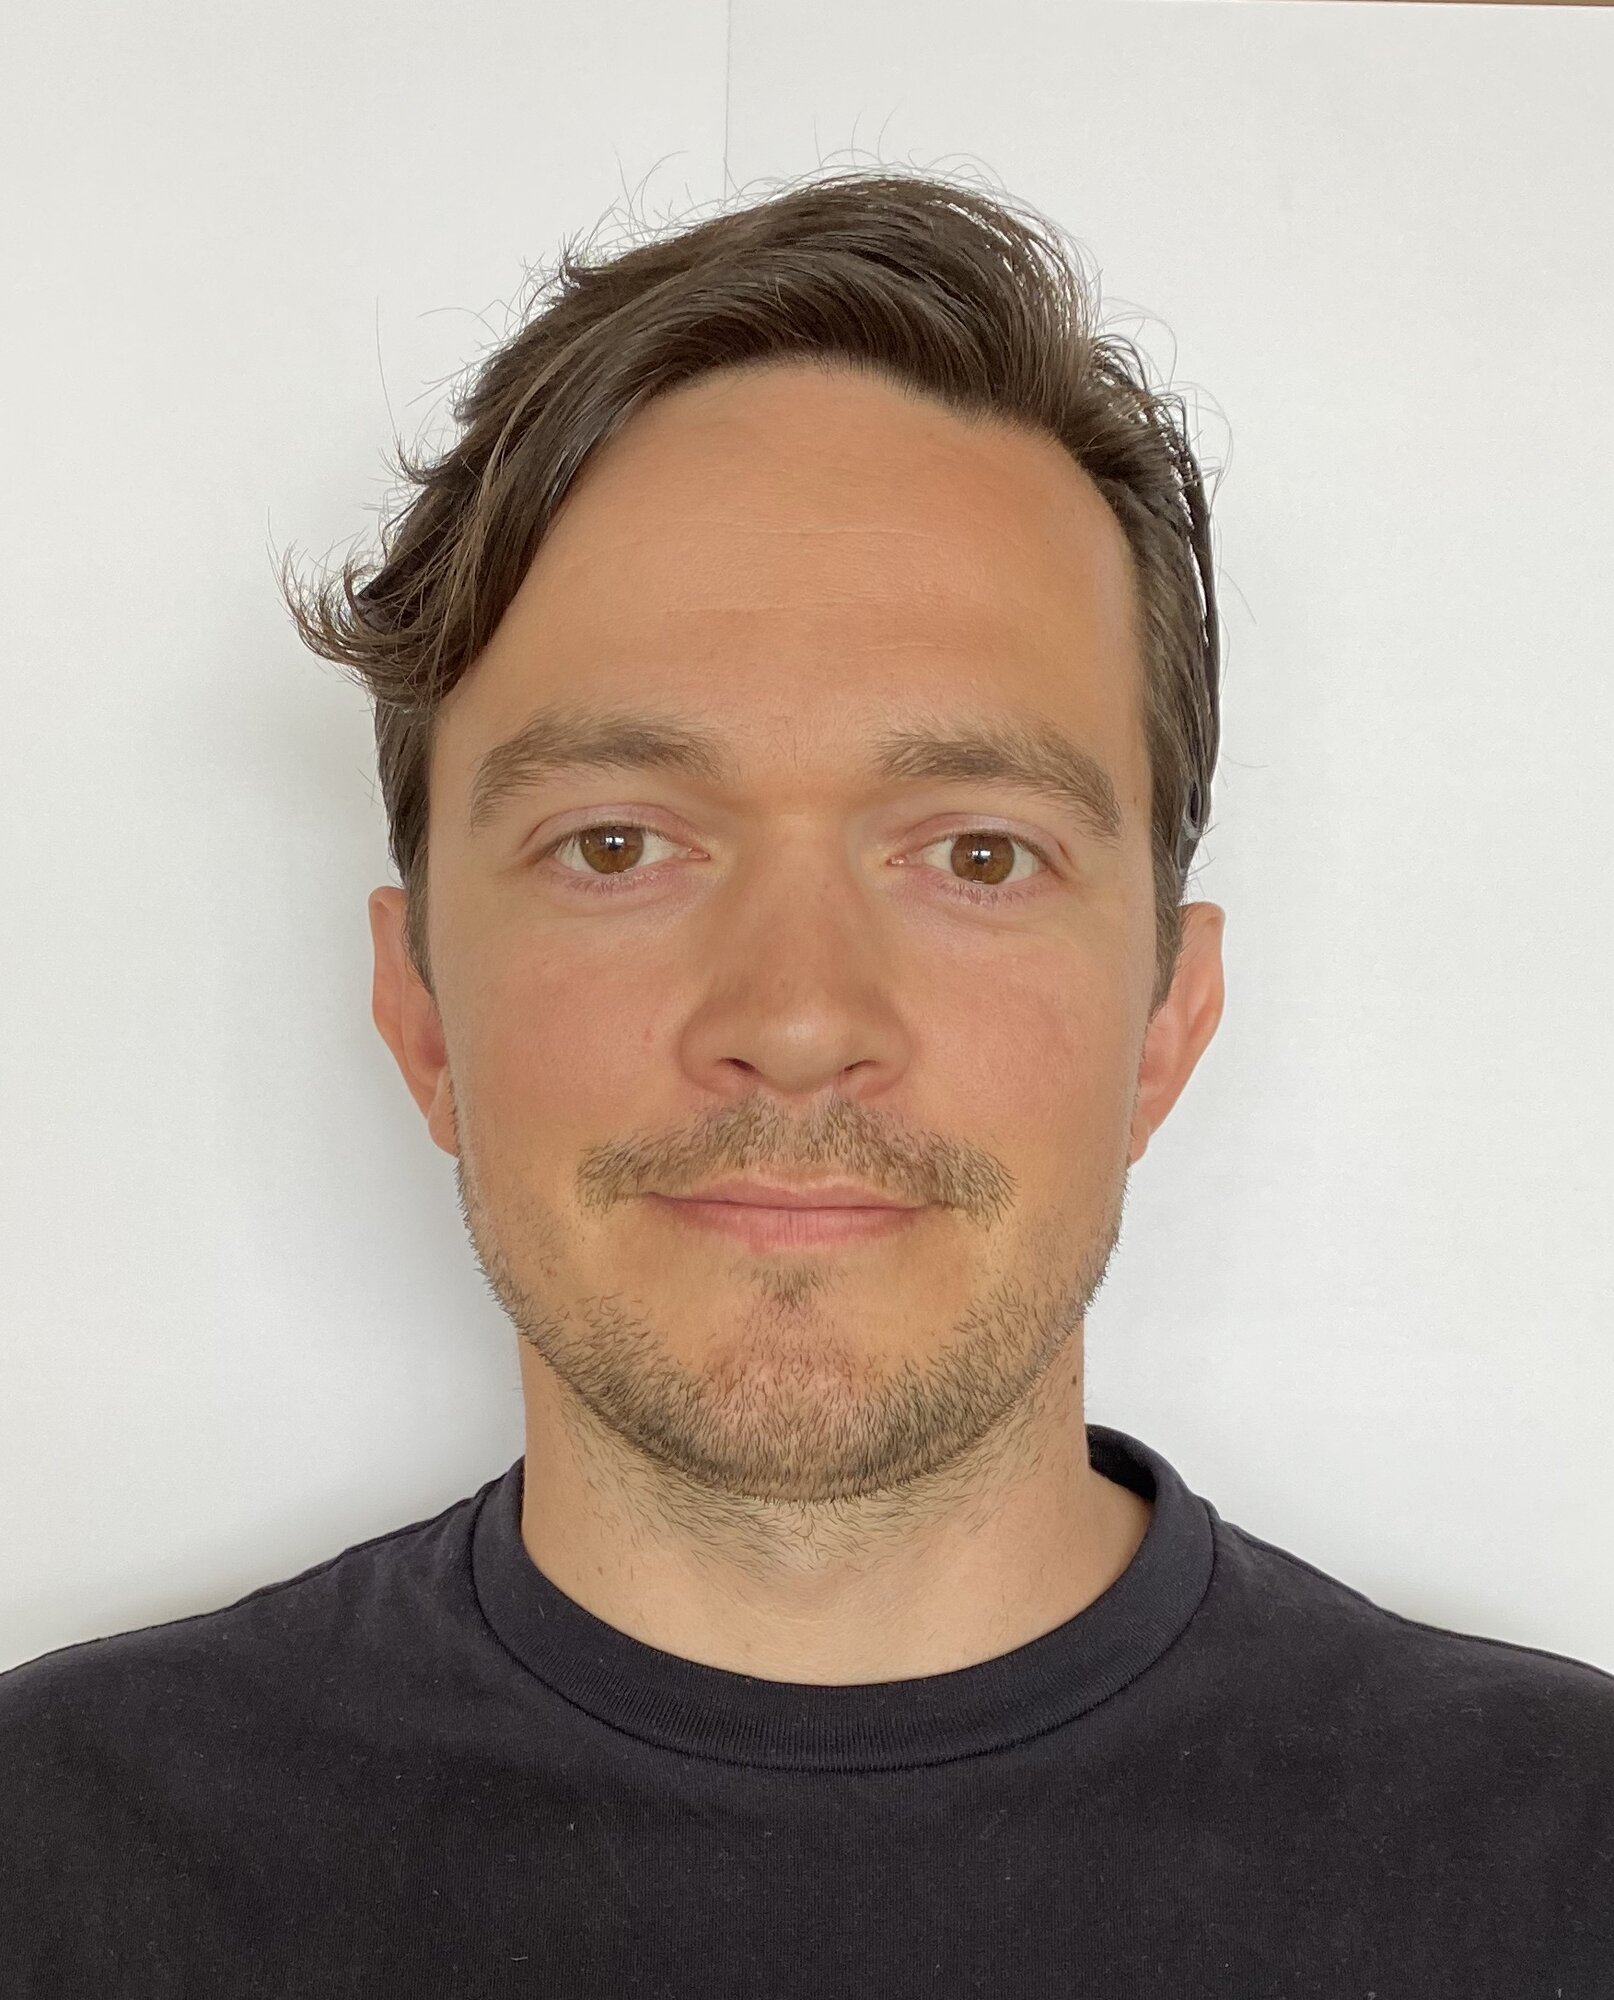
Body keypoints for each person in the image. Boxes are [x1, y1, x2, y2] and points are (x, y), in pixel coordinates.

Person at [3, 168, 1609, 1996]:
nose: (792, 1016)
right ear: (421, 1007)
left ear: (1166, 1022)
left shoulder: (1564, 1875)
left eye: (977, 854)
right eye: (616, 845)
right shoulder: (51, 1868)